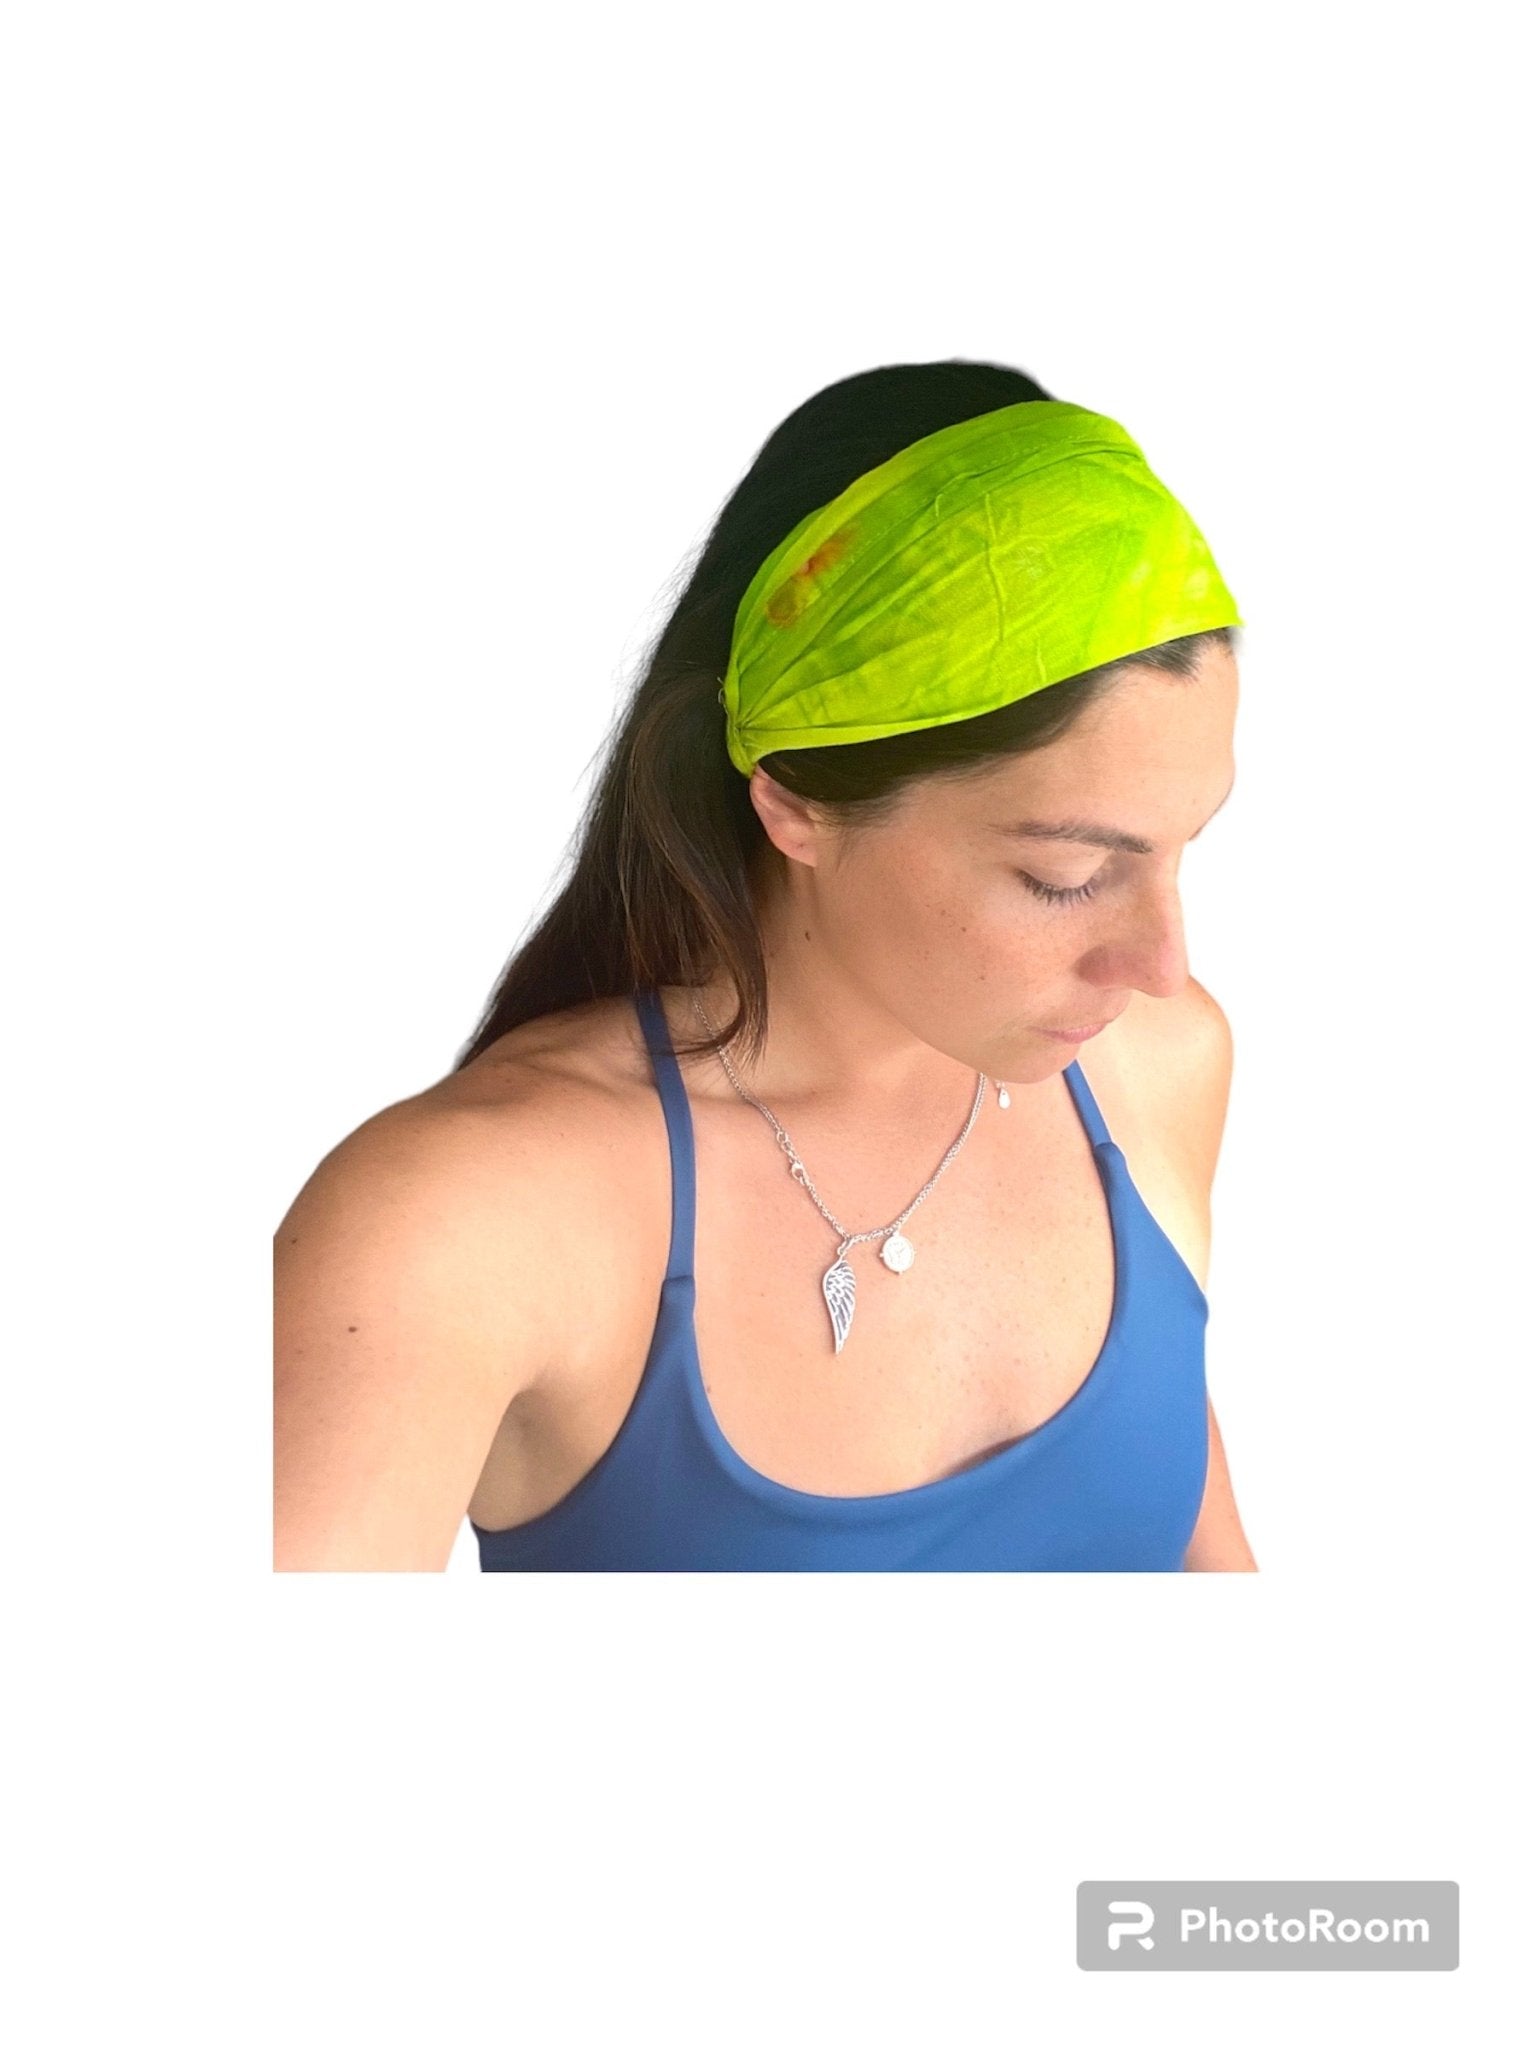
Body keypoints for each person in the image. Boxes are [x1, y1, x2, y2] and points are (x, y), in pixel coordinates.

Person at [273, 357, 1259, 1573]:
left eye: (1183, 846)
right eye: (1064, 873)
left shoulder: (1155, 1069)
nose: (1162, 961)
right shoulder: (468, 1219)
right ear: (796, 803)